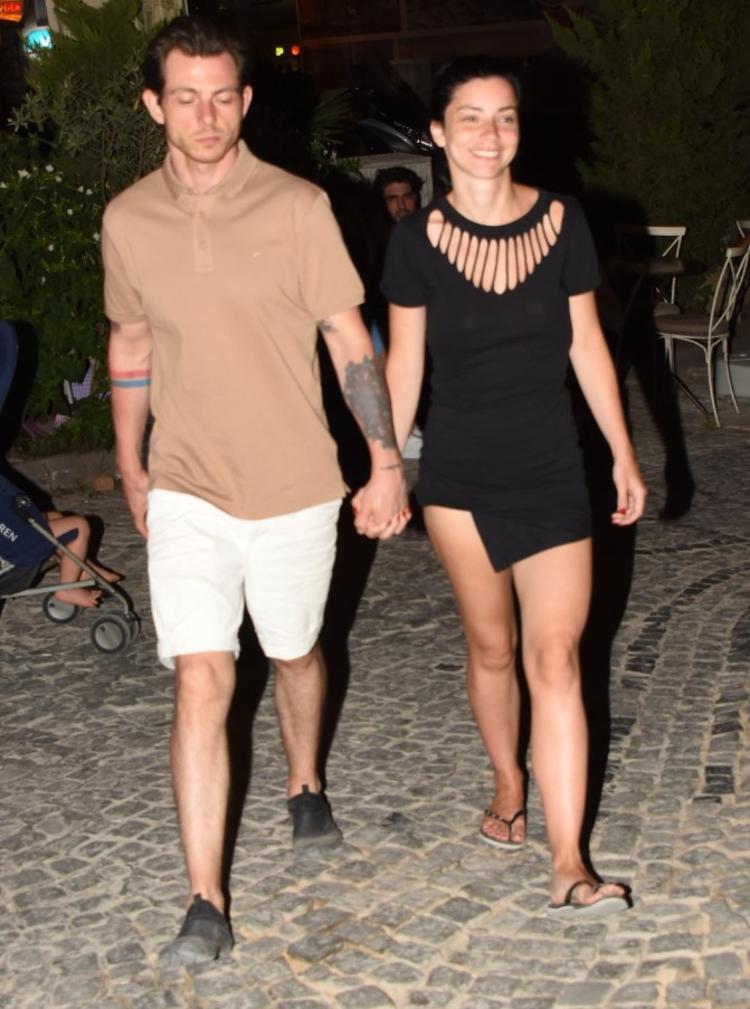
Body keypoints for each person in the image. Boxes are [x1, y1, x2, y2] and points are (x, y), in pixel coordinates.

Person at [102, 15, 409, 965]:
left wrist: (385, 460)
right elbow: (131, 341)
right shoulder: (128, 219)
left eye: (222, 97)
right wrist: (131, 462)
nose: (205, 116)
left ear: (245, 100)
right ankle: (205, 898)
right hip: (188, 484)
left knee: (295, 651)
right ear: (155, 105)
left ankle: (304, 778)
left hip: (295, 484)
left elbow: (348, 339)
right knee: (203, 675)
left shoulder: (297, 206)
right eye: (185, 98)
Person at [382, 56, 647, 915]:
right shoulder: (415, 240)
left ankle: (570, 862)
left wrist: (623, 452)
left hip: (551, 467)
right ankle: (507, 781)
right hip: (459, 475)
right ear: (438, 132)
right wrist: (385, 464)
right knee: (492, 647)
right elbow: (405, 364)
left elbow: (587, 344)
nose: (489, 134)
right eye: (470, 116)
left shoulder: (563, 221)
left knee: (556, 656)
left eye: (504, 116)